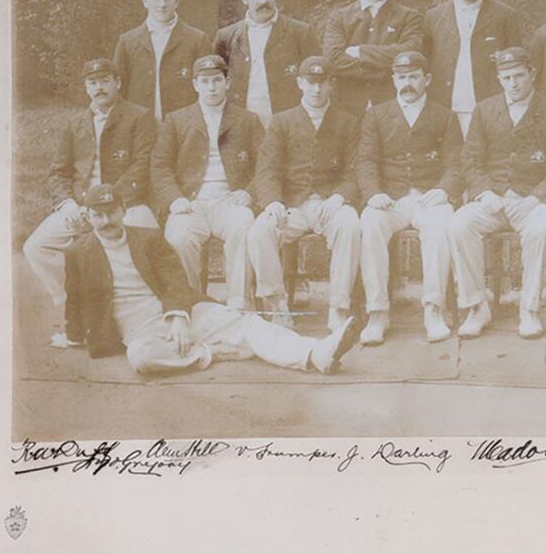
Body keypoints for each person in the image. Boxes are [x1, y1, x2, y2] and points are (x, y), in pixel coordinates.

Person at [55, 184, 363, 377]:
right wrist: (71, 338)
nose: (106, 221)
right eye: (98, 215)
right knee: (141, 360)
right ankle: (211, 351)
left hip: (181, 313)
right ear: (87, 217)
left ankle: (315, 354)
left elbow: (175, 281)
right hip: (140, 332)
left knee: (247, 324)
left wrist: (177, 316)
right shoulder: (78, 253)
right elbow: (75, 299)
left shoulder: (148, 239)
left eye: (111, 213)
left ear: (123, 210)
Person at [448, 47, 546, 339]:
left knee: (542, 229)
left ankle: (529, 309)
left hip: (534, 200)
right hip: (494, 200)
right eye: (506, 78)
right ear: (499, 79)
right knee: (459, 224)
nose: (513, 84)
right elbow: (471, 160)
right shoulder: (485, 110)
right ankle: (477, 306)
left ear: (532, 74)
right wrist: (485, 193)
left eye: (518, 76)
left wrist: (535, 199)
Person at [24, 58, 158, 307]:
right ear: (86, 88)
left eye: (105, 81)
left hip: (127, 203)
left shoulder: (139, 117)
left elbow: (143, 167)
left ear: (117, 83)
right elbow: (58, 172)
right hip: (81, 207)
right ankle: (77, 303)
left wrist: (104, 205)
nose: (99, 88)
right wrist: (68, 205)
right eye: (92, 83)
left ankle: (141, 304)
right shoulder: (75, 123)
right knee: (36, 246)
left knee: (146, 239)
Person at [356, 51, 464, 344]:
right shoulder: (377, 114)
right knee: (370, 222)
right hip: (391, 198)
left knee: (442, 224)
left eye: (414, 76)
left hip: (429, 196)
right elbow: (365, 161)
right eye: (401, 77)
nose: (407, 83)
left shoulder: (444, 116)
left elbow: (456, 164)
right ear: (393, 79)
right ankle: (378, 312)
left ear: (427, 79)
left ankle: (433, 309)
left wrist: (444, 190)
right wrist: (374, 193)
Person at [249, 57, 362, 330]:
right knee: (259, 231)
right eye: (310, 83)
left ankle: (339, 306)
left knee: (350, 225)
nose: (316, 90)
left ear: (331, 85)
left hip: (330, 204)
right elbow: (266, 169)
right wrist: (273, 201)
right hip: (292, 207)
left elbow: (356, 169)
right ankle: (277, 304)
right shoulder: (282, 121)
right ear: (300, 83)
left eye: (322, 83)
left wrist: (338, 197)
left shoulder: (347, 121)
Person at [150, 55, 264, 311]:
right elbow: (159, 166)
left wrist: (249, 193)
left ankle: (239, 303)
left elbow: (266, 166)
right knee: (178, 236)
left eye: (217, 80)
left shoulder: (248, 120)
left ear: (228, 82)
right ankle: (192, 303)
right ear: (195, 85)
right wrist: (174, 198)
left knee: (244, 227)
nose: (211, 88)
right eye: (205, 81)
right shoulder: (176, 120)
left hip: (230, 200)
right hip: (191, 202)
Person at [422, 0, 521, 136]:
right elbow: (425, 65)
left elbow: (516, 65)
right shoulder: (433, 17)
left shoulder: (505, 15)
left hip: (490, 108)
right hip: (445, 108)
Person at [213, 0, 321, 128]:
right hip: (241, 125)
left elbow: (317, 79)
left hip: (288, 125)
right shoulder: (226, 37)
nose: (263, 0)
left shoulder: (301, 33)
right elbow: (216, 82)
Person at [322, 0, 423, 114]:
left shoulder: (408, 16)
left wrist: (360, 52)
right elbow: (332, 59)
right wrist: (381, 71)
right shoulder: (339, 17)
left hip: (392, 107)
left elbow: (410, 53)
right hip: (347, 108)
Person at [112, 0, 213, 121]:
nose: (162, 4)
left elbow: (208, 88)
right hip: (141, 127)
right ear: (145, 1)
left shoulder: (197, 39)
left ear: (176, 0)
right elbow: (118, 89)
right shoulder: (128, 41)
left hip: (184, 127)